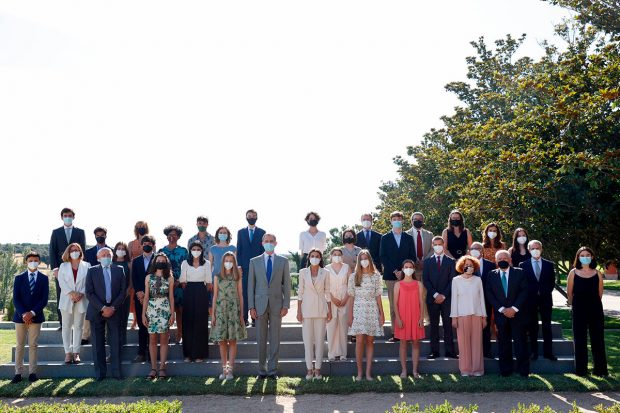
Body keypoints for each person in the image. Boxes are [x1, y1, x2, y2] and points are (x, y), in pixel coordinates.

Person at [248, 233, 291, 379]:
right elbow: (250, 286)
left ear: (276, 243)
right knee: (260, 339)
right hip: (259, 305)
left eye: (271, 241)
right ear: (262, 243)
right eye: (266, 241)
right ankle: (261, 370)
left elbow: (287, 285)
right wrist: (251, 307)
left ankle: (272, 370)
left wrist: (286, 305)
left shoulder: (283, 261)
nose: (269, 243)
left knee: (275, 338)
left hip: (277, 305)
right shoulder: (254, 261)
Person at [485, 250, 529, 377]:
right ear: (496, 261)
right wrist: (502, 310)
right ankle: (505, 370)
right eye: (499, 258)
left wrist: (514, 308)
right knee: (503, 343)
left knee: (520, 342)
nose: (502, 260)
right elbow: (489, 294)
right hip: (501, 315)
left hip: (517, 314)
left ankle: (523, 371)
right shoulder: (491, 275)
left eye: (505, 257)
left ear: (510, 259)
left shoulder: (519, 273)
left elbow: (524, 291)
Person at [85, 247, 127, 381]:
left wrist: (112, 307)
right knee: (97, 343)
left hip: (115, 310)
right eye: (103, 255)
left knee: (115, 342)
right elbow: (89, 292)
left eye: (108, 254)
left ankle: (116, 372)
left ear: (112, 256)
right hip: (97, 310)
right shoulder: (91, 271)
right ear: (98, 258)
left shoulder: (119, 270)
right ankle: (100, 374)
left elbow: (122, 291)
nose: (106, 257)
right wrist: (103, 307)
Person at [567, 247, 608, 376]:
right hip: (579, 309)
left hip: (595, 309)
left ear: (592, 257)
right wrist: (576, 305)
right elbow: (570, 294)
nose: (585, 257)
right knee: (580, 340)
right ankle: (581, 370)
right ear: (578, 258)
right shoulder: (573, 273)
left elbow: (600, 294)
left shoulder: (597, 273)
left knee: (598, 340)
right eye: (582, 255)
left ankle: (600, 370)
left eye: (588, 254)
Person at [11, 252, 49, 384]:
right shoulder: (18, 278)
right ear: (26, 262)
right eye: (31, 260)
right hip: (20, 317)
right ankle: (18, 373)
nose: (33, 262)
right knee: (20, 345)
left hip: (36, 317)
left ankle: (32, 373)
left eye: (36, 260)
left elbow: (44, 300)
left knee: (33, 345)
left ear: (39, 262)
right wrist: (24, 314)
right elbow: (16, 299)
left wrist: (32, 313)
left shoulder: (44, 279)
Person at [347, 250, 385, 381]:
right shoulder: (353, 277)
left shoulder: (376, 276)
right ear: (358, 261)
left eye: (366, 258)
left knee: (370, 341)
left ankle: (368, 373)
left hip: (372, 310)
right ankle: (359, 373)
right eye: (361, 258)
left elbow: (378, 296)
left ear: (370, 259)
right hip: (358, 310)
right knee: (359, 341)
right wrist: (350, 315)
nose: (364, 261)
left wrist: (382, 314)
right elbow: (351, 297)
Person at [379, 211, 416, 342]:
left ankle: (409, 331)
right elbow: (383, 256)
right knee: (394, 305)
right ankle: (396, 333)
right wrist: (395, 270)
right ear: (391, 221)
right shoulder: (385, 238)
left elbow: (412, 256)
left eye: (398, 218)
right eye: (394, 219)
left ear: (402, 220)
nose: (396, 220)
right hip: (391, 275)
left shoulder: (408, 237)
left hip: (407, 275)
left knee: (407, 304)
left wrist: (403, 270)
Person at [210, 252, 247, 380]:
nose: (228, 263)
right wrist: (213, 314)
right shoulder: (217, 276)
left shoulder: (237, 276)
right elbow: (214, 296)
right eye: (226, 260)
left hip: (234, 310)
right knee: (222, 341)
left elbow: (241, 295)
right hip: (220, 310)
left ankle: (230, 369)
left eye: (231, 260)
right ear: (223, 262)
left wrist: (242, 314)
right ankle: (224, 369)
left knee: (232, 340)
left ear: (234, 263)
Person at [519, 240, 557, 361]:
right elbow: (523, 284)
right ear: (529, 250)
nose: (535, 250)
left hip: (545, 300)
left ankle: (548, 352)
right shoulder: (523, 265)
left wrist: (544, 292)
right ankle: (534, 352)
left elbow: (552, 283)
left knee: (547, 326)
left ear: (541, 249)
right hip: (530, 301)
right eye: (533, 248)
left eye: (538, 248)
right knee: (532, 327)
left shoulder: (549, 264)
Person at [297, 249, 332, 380]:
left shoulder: (326, 273)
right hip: (306, 310)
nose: (315, 258)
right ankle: (309, 370)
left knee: (319, 341)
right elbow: (300, 292)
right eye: (312, 256)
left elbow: (328, 292)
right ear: (309, 258)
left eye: (317, 256)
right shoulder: (302, 272)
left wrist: (330, 310)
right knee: (307, 342)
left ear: (320, 258)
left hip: (321, 310)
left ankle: (318, 369)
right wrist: (299, 311)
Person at [50, 207, 86, 327]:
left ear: (73, 217)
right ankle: (62, 323)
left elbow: (82, 251)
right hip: (61, 270)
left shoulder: (80, 232)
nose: (67, 217)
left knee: (78, 293)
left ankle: (76, 322)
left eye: (70, 215)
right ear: (62, 217)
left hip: (76, 268)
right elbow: (52, 251)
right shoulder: (56, 232)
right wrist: (55, 270)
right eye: (65, 216)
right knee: (62, 294)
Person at [451, 256, 487, 377]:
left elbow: (482, 298)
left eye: (471, 265)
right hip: (462, 315)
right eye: (467, 265)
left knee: (477, 343)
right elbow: (454, 300)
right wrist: (454, 317)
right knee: (464, 344)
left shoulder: (478, 280)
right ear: (462, 266)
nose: (469, 267)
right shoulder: (456, 280)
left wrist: (484, 317)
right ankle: (465, 369)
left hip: (477, 315)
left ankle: (477, 369)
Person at [422, 236, 457, 359]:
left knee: (448, 325)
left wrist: (444, 295)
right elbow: (425, 280)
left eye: (440, 244)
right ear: (432, 245)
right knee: (434, 326)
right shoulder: (427, 262)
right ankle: (434, 351)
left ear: (443, 245)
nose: (437, 246)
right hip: (432, 299)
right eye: (435, 244)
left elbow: (453, 280)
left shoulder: (451, 261)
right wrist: (436, 294)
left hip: (447, 299)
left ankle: (450, 351)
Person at [142, 253, 175, 379]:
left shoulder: (170, 278)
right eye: (158, 260)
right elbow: (146, 297)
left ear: (166, 263)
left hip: (165, 309)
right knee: (152, 339)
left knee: (164, 339)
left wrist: (173, 313)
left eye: (163, 261)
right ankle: (153, 368)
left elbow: (171, 297)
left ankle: (162, 367)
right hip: (152, 310)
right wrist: (143, 314)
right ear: (154, 262)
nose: (160, 262)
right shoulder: (148, 278)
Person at [180, 241, 212, 362]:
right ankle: (188, 355)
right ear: (190, 250)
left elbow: (209, 283)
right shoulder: (185, 263)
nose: (196, 251)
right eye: (194, 249)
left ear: (202, 251)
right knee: (188, 322)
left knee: (200, 322)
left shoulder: (207, 263)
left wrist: (202, 293)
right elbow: (182, 281)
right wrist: (190, 290)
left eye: (198, 249)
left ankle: (199, 354)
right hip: (188, 292)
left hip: (202, 292)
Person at [57, 243, 90, 364]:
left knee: (78, 327)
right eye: (72, 250)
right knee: (66, 327)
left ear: (80, 252)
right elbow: (62, 282)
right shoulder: (63, 266)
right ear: (68, 252)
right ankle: (67, 353)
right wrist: (71, 293)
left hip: (81, 299)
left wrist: (80, 294)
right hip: (67, 300)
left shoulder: (87, 266)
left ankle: (76, 353)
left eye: (77, 250)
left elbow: (89, 282)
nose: (75, 252)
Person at [393, 259, 425, 378]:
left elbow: (421, 303)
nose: (408, 269)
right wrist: (398, 318)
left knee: (416, 344)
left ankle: (415, 371)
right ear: (402, 269)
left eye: (410, 267)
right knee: (403, 344)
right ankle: (404, 370)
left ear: (414, 269)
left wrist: (421, 318)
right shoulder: (398, 284)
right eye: (406, 267)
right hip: (403, 317)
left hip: (416, 316)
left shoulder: (419, 284)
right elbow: (395, 304)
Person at [159, 225, 188, 344]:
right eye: (169, 235)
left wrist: (179, 281)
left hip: (180, 285)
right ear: (166, 236)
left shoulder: (183, 251)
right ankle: (167, 335)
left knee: (180, 310)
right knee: (167, 311)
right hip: (165, 285)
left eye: (174, 235)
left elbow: (187, 267)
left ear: (178, 236)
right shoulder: (161, 251)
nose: (172, 237)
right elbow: (158, 269)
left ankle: (180, 334)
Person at [236, 209, 266, 326]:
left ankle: (255, 318)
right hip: (244, 267)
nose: (251, 217)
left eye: (254, 216)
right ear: (246, 217)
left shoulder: (262, 232)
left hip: (258, 267)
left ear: (257, 217)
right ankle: (244, 318)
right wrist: (239, 266)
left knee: (256, 291)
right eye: (249, 216)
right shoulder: (241, 232)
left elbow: (263, 250)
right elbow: (239, 249)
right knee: (244, 292)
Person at [131, 235, 156, 363]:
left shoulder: (158, 260)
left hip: (154, 299)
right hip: (140, 298)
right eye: (144, 243)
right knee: (142, 325)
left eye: (149, 243)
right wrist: (139, 293)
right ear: (141, 245)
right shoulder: (136, 261)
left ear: (153, 245)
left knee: (153, 326)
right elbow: (134, 278)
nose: (147, 245)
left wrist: (148, 294)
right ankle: (141, 353)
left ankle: (153, 354)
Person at [469, 242, 496, 358]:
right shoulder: (466, 265)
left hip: (486, 300)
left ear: (482, 250)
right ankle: (472, 351)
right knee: (472, 327)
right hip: (470, 301)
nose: (475, 250)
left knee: (486, 326)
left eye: (478, 248)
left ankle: (486, 351)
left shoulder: (490, 265)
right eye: (473, 248)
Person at [325, 248, 351, 361]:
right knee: (331, 327)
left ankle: (343, 353)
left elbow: (351, 284)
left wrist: (346, 298)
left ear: (342, 256)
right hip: (331, 300)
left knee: (343, 327)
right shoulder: (326, 268)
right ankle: (331, 353)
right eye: (334, 254)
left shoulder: (347, 267)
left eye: (339, 254)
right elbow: (325, 286)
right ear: (331, 256)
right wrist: (332, 298)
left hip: (345, 298)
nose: (337, 256)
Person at [128, 221, 149, 330]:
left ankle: (144, 318)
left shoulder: (149, 242)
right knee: (134, 296)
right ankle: (135, 320)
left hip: (147, 273)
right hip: (134, 271)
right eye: (139, 227)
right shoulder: (131, 243)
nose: (141, 228)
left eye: (143, 227)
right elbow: (128, 258)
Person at [113, 242, 132, 345]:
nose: (120, 250)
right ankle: (112, 341)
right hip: (112, 297)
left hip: (125, 296)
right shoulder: (111, 263)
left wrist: (127, 291)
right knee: (113, 320)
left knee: (123, 319)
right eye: (118, 248)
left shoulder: (129, 264)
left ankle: (123, 342)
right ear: (115, 250)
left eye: (123, 249)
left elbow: (131, 280)